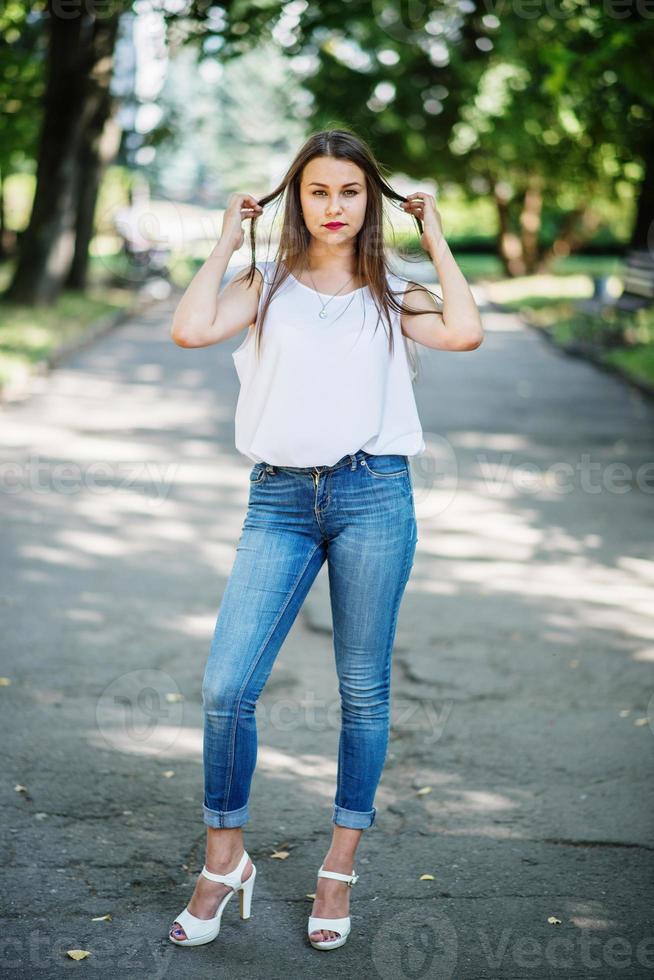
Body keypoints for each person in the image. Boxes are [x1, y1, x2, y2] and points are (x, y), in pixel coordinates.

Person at [167, 128, 483, 951]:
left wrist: (436, 238)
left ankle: (338, 869)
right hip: (276, 499)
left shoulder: (395, 290)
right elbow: (191, 330)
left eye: (350, 191)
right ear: (295, 199)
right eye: (318, 191)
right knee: (226, 687)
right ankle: (224, 860)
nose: (334, 207)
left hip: (373, 495)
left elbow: (464, 333)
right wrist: (226, 241)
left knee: (363, 691)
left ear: (370, 200)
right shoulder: (263, 283)